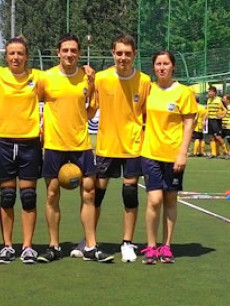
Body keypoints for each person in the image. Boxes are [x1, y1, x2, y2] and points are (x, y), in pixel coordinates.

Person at [70, 34, 151, 263]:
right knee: (96, 196)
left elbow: (148, 114)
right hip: (106, 146)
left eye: (128, 53)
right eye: (119, 53)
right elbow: (88, 110)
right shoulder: (102, 79)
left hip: (134, 146)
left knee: (130, 195)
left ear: (134, 54)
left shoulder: (144, 81)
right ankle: (89, 241)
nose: (123, 57)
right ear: (112, 54)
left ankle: (127, 243)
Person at [36, 33, 114, 263]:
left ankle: (91, 246)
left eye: (73, 50)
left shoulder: (87, 78)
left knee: (89, 191)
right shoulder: (46, 78)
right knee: (51, 194)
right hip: (53, 145)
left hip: (81, 145)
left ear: (79, 53)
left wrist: (90, 86)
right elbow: (32, 102)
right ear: (58, 52)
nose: (69, 54)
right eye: (65, 50)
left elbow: (91, 110)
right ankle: (53, 246)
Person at [0, 37, 43, 264]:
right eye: (11, 53)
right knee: (7, 197)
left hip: (30, 144)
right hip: (4, 143)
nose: (16, 57)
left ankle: (27, 246)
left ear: (26, 56)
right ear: (6, 56)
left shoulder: (38, 77)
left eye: (20, 53)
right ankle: (8, 246)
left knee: (28, 197)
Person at [140, 50, 197, 264]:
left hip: (174, 155)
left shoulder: (183, 92)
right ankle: (151, 246)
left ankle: (167, 246)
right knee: (154, 200)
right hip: (150, 153)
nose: (162, 67)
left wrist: (183, 152)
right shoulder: (148, 89)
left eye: (165, 64)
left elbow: (189, 122)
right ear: (153, 67)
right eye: (158, 64)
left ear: (173, 67)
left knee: (170, 199)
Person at [206, 86, 228, 158]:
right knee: (211, 137)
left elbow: (225, 110)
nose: (209, 93)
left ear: (214, 93)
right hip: (210, 120)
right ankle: (214, 154)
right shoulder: (209, 100)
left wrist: (222, 116)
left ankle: (226, 152)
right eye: (208, 92)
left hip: (216, 120)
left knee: (218, 137)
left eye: (210, 92)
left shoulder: (219, 100)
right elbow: (207, 110)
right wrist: (204, 119)